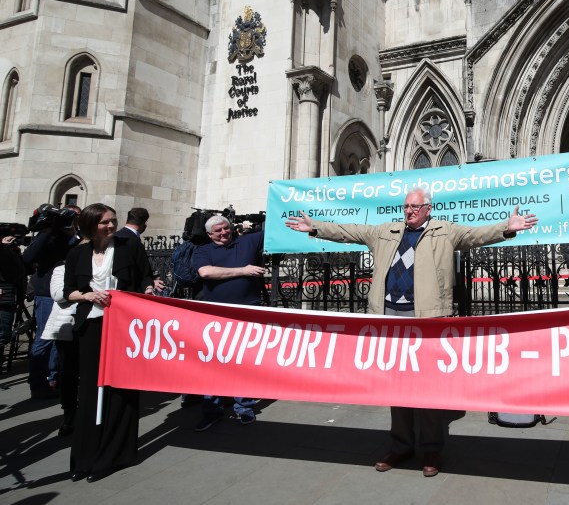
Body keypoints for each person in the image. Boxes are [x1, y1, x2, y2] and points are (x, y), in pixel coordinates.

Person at [285, 187, 538, 477]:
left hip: (426, 319)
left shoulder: (445, 231)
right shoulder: (386, 231)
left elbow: (475, 235)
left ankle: (431, 449)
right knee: (398, 384)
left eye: (415, 207)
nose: (409, 211)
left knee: (428, 386)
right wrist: (314, 228)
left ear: (428, 208)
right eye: (406, 206)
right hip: (390, 318)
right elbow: (349, 231)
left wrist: (506, 228)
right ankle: (401, 445)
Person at [63, 203, 155, 482]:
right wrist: (88, 296)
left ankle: (117, 454)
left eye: (113, 220)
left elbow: (144, 278)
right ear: (91, 225)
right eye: (105, 222)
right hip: (91, 325)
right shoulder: (77, 253)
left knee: (122, 389)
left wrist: (149, 289)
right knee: (90, 389)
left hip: (125, 326)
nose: (111, 226)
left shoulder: (130, 246)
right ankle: (86, 456)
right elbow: (69, 292)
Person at [191, 215, 265, 431]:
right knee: (213, 363)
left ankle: (244, 407)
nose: (223, 233)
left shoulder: (248, 241)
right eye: (218, 231)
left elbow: (275, 228)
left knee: (243, 361)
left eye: (226, 228)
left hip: (247, 310)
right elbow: (205, 272)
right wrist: (244, 270)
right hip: (216, 316)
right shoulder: (203, 251)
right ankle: (212, 411)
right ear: (209, 234)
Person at [23, 204, 80, 399]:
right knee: (45, 338)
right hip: (47, 293)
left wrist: (73, 232)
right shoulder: (47, 237)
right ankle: (37, 383)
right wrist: (47, 230)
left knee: (60, 339)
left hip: (66, 292)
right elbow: (28, 257)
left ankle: (53, 378)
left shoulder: (69, 239)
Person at [45, 264, 79, 436]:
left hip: (92, 326)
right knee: (68, 373)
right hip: (67, 328)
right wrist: (86, 293)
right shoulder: (61, 269)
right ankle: (69, 416)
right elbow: (58, 294)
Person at [115, 207, 166, 294]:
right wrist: (148, 285)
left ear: (127, 219)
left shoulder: (114, 237)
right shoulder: (135, 242)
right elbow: (141, 271)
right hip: (129, 292)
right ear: (144, 223)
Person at [0, 235, 27, 354]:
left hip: (9, 298)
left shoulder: (13, 254)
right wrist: (5, 248)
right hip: (4, 298)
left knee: (4, 335)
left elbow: (25, 271)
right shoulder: (4, 252)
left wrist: (16, 253)